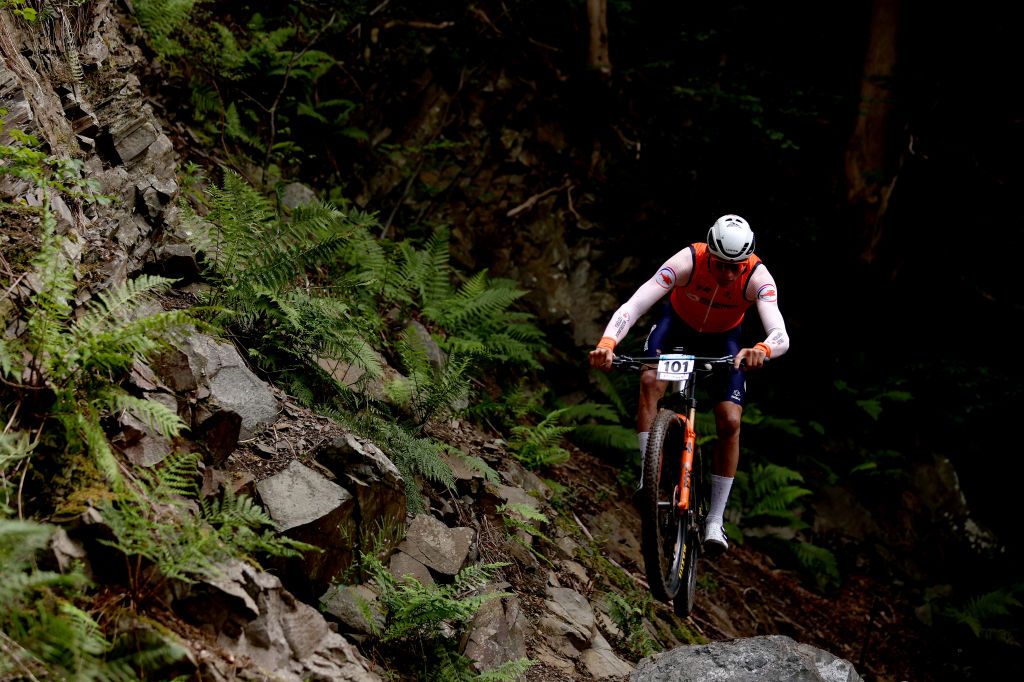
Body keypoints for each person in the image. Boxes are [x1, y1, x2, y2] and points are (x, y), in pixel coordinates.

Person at [589, 214, 790, 556]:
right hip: (676, 330)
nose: (727, 274)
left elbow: (780, 334)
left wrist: (762, 349)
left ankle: (714, 519)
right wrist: (608, 343)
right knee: (651, 380)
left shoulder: (758, 276)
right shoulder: (687, 261)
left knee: (730, 421)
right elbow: (635, 304)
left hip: (724, 342)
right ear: (708, 251)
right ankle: (648, 475)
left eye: (734, 267)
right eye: (720, 264)